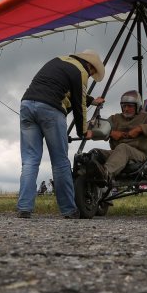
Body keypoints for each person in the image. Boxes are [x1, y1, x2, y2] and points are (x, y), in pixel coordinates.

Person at [17, 49, 106, 219]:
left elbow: (65, 89)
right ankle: (68, 210)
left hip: (27, 105)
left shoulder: (58, 60)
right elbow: (79, 103)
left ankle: (24, 207)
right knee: (60, 162)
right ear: (89, 65)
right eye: (92, 72)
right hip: (50, 110)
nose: (90, 75)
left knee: (29, 161)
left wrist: (93, 100)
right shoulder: (81, 71)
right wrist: (83, 131)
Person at [88, 90, 147, 184]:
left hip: (140, 154)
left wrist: (140, 129)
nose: (126, 109)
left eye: (129, 106)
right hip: (117, 153)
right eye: (124, 106)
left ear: (137, 106)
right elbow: (92, 128)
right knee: (94, 153)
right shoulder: (115, 118)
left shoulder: (146, 117)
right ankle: (86, 181)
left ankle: (105, 174)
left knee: (123, 148)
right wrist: (110, 132)